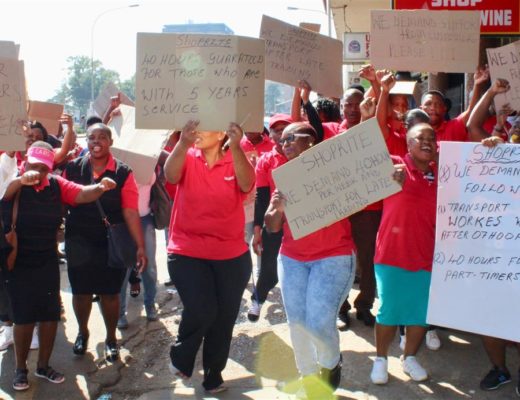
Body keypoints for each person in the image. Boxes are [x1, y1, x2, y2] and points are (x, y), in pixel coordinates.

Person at [2, 141, 117, 391]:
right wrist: (21, 180)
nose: (38, 171)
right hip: (19, 261)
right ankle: (20, 369)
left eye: (43, 168)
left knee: (50, 315)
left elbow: (81, 193)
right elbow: (6, 192)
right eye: (33, 165)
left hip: (47, 259)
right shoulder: (13, 180)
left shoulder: (55, 184)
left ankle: (43, 366)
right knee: (23, 317)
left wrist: (100, 187)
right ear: (26, 161)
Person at [265, 122, 356, 398]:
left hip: (333, 257)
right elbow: (272, 226)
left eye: (292, 137)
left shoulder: (336, 170)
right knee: (298, 323)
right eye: (282, 140)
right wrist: (276, 209)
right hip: (292, 259)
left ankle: (330, 364)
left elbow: (371, 177)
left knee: (318, 322)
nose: (285, 143)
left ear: (312, 141)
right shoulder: (284, 178)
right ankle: (308, 377)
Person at [165, 119, 255, 394]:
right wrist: (182, 143)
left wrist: (236, 147)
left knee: (224, 318)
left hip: (231, 254)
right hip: (187, 250)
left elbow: (247, 183)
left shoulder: (236, 156)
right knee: (202, 309)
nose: (196, 132)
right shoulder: (186, 154)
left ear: (222, 133)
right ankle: (181, 354)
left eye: (204, 126)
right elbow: (170, 176)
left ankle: (214, 374)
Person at [64, 123, 146, 362]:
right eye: (92, 137)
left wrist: (140, 246)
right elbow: (64, 199)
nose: (96, 142)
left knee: (110, 293)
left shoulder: (123, 172)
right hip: (78, 241)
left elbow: (130, 211)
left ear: (110, 142)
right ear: (87, 141)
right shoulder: (73, 168)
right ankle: (83, 333)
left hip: (111, 243)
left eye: (102, 137)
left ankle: (111, 339)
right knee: (81, 292)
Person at [370, 123, 437, 385]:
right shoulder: (393, 166)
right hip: (392, 255)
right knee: (389, 310)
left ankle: (409, 357)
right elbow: (360, 158)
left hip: (428, 257)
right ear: (408, 144)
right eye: (420, 137)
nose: (427, 141)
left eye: (432, 137)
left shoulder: (444, 174)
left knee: (421, 314)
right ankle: (380, 359)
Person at [247, 114, 292, 322]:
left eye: (285, 129)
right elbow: (261, 198)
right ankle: (257, 300)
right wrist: (257, 230)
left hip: (302, 223)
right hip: (274, 223)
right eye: (277, 130)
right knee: (269, 268)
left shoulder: (304, 155)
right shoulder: (265, 161)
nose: (281, 134)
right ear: (270, 135)